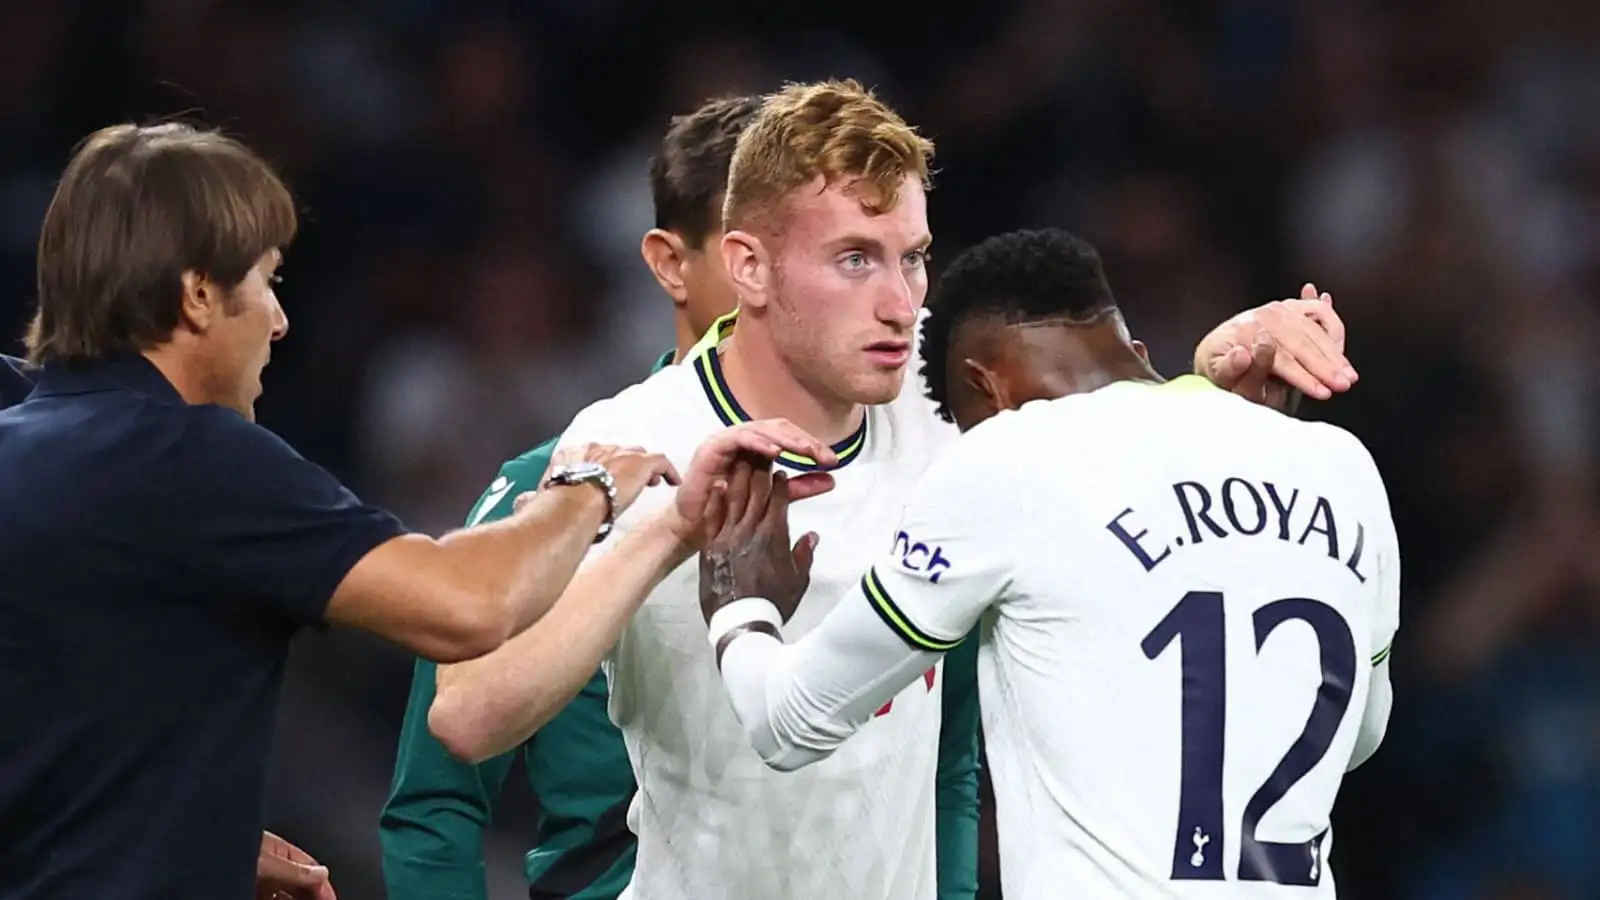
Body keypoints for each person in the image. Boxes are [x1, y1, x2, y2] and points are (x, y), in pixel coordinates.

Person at [425, 81, 1358, 900]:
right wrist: (671, 532)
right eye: (855, 259)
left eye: (911, 256)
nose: (901, 300)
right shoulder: (630, 441)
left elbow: (1106, 419)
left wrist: (1215, 372)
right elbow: (469, 720)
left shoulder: (949, 421)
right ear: (746, 266)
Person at [0, 122, 775, 900]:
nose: (279, 321)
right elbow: (466, 608)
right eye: (268, 280)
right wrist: (589, 490)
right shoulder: (191, 458)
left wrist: (193, 840)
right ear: (200, 295)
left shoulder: (22, 438)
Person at [699, 228, 1397, 899]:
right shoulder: (1343, 467)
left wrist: (740, 604)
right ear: (1134, 349)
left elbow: (791, 722)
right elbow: (1361, 732)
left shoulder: (1009, 456)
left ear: (987, 389)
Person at [381, 94, 780, 900]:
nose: (784, 287)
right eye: (750, 257)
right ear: (672, 263)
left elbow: (945, 763)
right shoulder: (557, 488)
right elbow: (436, 797)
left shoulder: (895, 479)